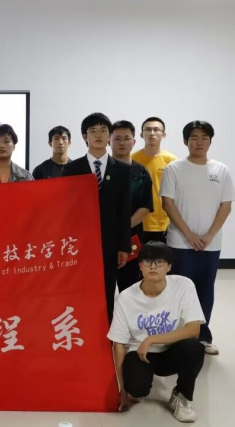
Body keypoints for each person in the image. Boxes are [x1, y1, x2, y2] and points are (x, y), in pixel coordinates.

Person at [108, 241, 206, 423]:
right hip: (140, 353)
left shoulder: (183, 285)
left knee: (194, 347)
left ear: (169, 266)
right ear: (140, 266)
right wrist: (122, 390)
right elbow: (118, 344)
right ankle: (138, 387)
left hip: (172, 351)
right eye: (147, 261)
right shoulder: (125, 298)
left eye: (159, 262)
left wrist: (152, 339)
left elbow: (194, 330)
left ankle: (182, 396)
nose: (153, 266)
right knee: (135, 391)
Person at [161, 120, 233, 356]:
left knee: (205, 290)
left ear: (210, 141)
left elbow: (226, 206)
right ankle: (176, 337)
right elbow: (168, 204)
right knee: (178, 290)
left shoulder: (221, 170)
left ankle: (202, 336)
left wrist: (209, 235)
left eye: (204, 138)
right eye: (194, 138)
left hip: (211, 244)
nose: (199, 142)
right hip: (180, 242)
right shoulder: (174, 168)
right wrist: (189, 235)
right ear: (185, 141)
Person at [62, 113, 131, 324]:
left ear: (109, 136)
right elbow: (66, 209)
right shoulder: (72, 169)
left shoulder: (122, 170)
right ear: (85, 136)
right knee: (80, 288)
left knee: (108, 289)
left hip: (110, 243)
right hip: (80, 242)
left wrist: (123, 246)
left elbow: (124, 211)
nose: (98, 135)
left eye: (103, 131)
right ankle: (83, 330)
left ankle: (105, 333)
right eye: (93, 131)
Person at [110, 121, 154, 293]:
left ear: (134, 142)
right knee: (102, 287)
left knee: (130, 288)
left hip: (132, 237)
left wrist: (122, 227)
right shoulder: (100, 171)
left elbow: (145, 207)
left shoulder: (141, 173)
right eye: (117, 138)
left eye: (126, 138)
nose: (122, 142)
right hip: (102, 237)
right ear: (109, 141)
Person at [132, 117, 177, 244]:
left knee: (162, 257)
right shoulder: (132, 159)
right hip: (136, 221)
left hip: (163, 223)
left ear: (164, 135)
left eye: (156, 130)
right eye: (148, 130)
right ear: (141, 134)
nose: (152, 133)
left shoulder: (171, 161)